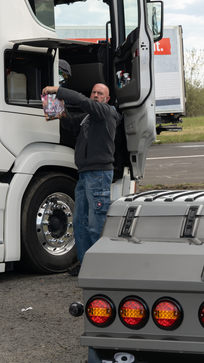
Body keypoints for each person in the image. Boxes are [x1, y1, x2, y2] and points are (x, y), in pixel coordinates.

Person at [42, 76, 121, 277]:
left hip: (99, 175)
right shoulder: (89, 117)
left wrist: (57, 90)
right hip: (85, 175)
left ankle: (103, 268)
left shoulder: (106, 112)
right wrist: (56, 106)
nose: (95, 96)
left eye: (99, 93)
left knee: (96, 224)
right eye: (93, 92)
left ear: (107, 98)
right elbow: (69, 124)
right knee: (80, 223)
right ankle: (86, 264)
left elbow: (83, 101)